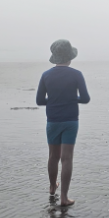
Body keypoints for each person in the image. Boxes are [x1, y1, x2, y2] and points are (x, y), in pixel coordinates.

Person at [36, 39, 90, 207]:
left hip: (53, 120)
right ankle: (64, 197)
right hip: (70, 120)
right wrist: (71, 99)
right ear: (69, 57)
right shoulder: (76, 74)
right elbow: (85, 98)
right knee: (67, 158)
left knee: (53, 156)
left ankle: (52, 187)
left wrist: (54, 101)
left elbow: (39, 101)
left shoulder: (46, 75)